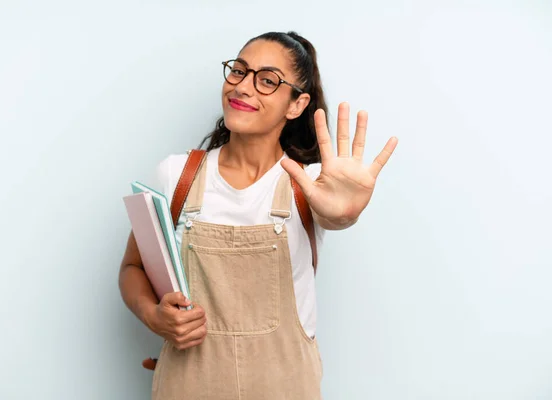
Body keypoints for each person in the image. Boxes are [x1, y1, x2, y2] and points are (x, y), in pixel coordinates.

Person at [119, 31, 398, 400]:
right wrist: (155, 317)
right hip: (189, 384)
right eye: (238, 71)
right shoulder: (175, 176)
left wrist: (344, 214)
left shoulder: (313, 184)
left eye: (267, 80)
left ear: (296, 105)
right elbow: (132, 269)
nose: (243, 87)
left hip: (285, 385)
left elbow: (336, 216)